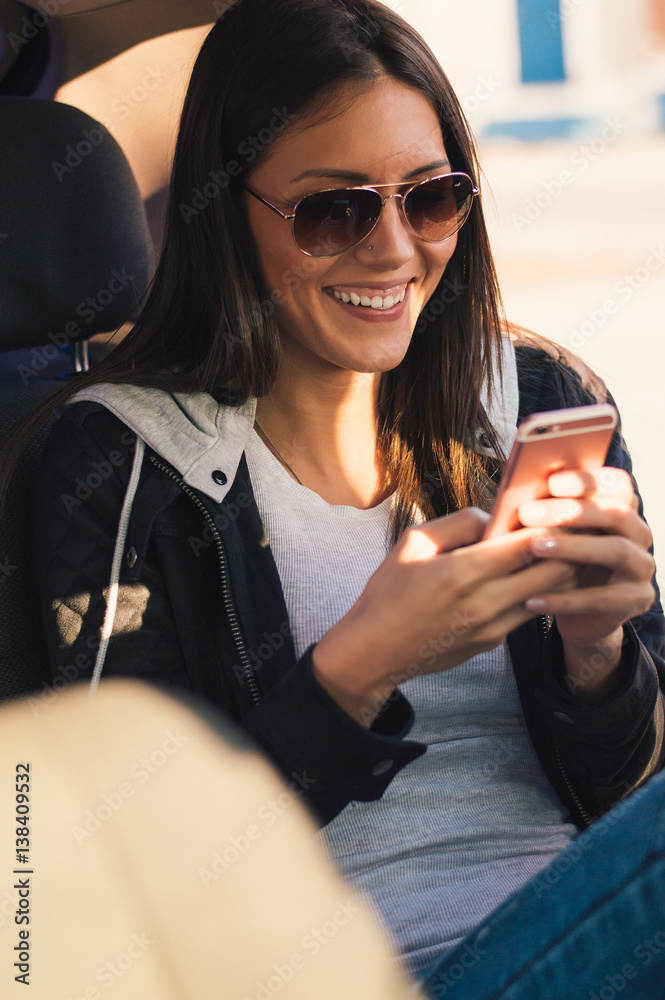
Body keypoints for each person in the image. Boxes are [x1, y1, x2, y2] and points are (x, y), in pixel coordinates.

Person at [6, 0, 664, 996]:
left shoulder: (538, 399)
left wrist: (597, 654)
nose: (393, 249)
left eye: (431, 198)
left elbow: (626, 789)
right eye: (334, 210)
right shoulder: (119, 461)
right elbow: (127, 878)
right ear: (227, 212)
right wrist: (360, 667)